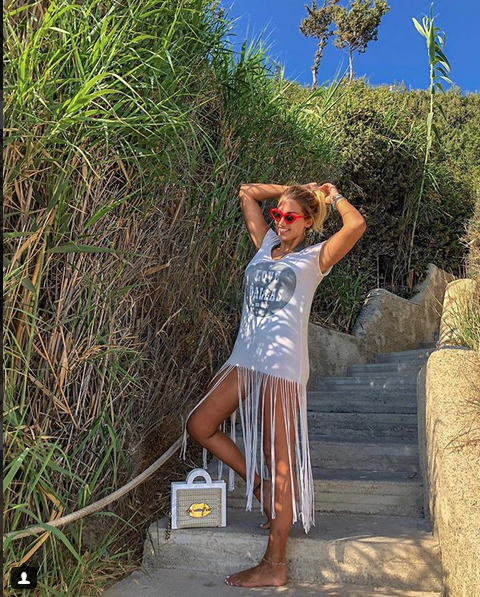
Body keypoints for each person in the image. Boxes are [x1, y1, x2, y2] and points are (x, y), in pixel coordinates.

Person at [180, 181, 367, 587]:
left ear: (308, 222)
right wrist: (294, 189)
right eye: (277, 214)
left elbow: (355, 225)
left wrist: (331, 196)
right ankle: (260, 487)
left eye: (290, 216)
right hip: (245, 358)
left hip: (282, 366)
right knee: (200, 424)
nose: (281, 221)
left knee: (279, 459)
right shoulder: (266, 244)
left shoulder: (315, 259)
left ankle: (274, 563)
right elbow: (246, 192)